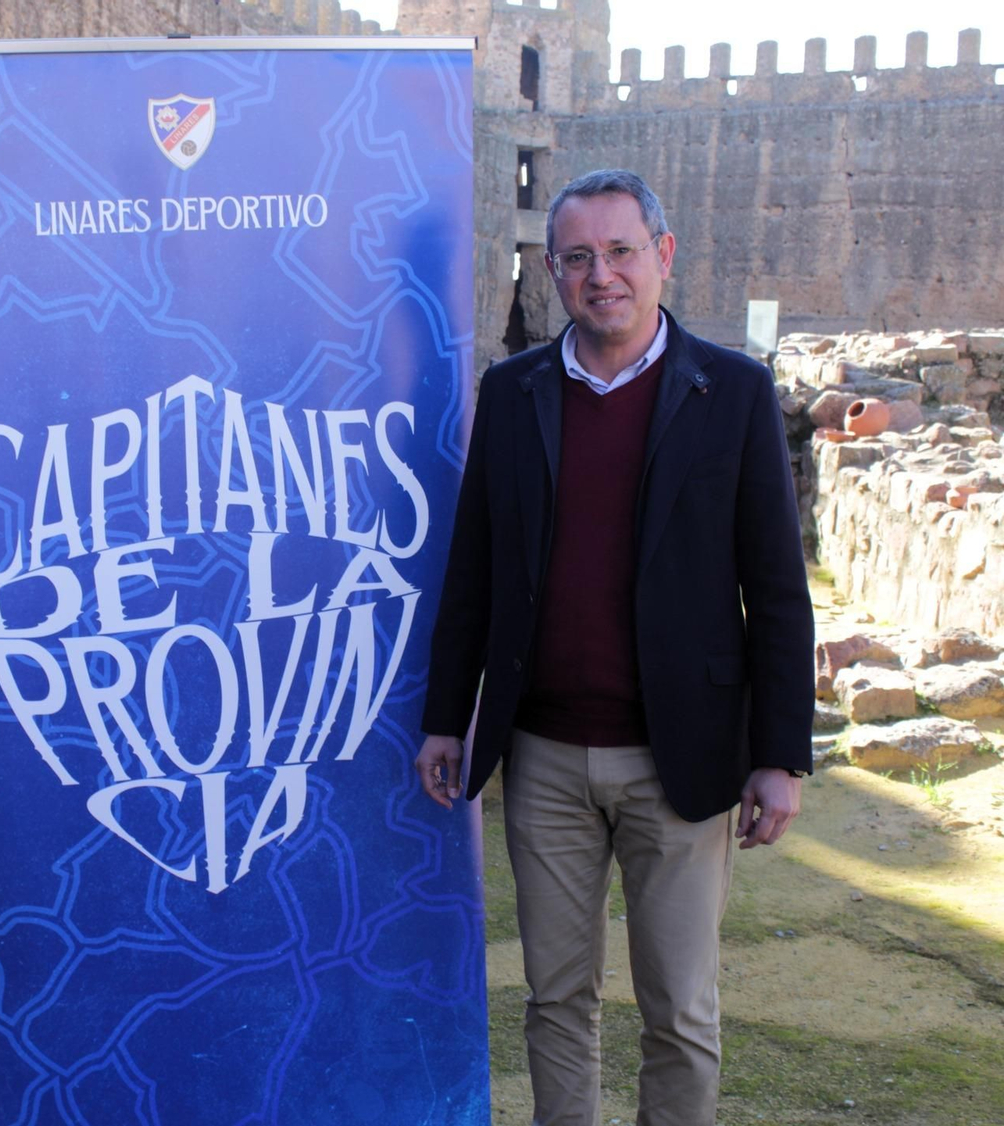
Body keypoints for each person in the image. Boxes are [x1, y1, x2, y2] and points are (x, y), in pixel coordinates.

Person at [415, 170, 814, 1125]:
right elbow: (473, 567)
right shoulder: (511, 394)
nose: (604, 276)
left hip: (684, 756)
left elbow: (778, 588)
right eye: (580, 258)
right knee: (557, 1002)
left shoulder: (735, 392)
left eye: (623, 251)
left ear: (663, 256)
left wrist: (781, 756)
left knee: (679, 1009)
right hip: (543, 757)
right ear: (552, 271)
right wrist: (443, 720)